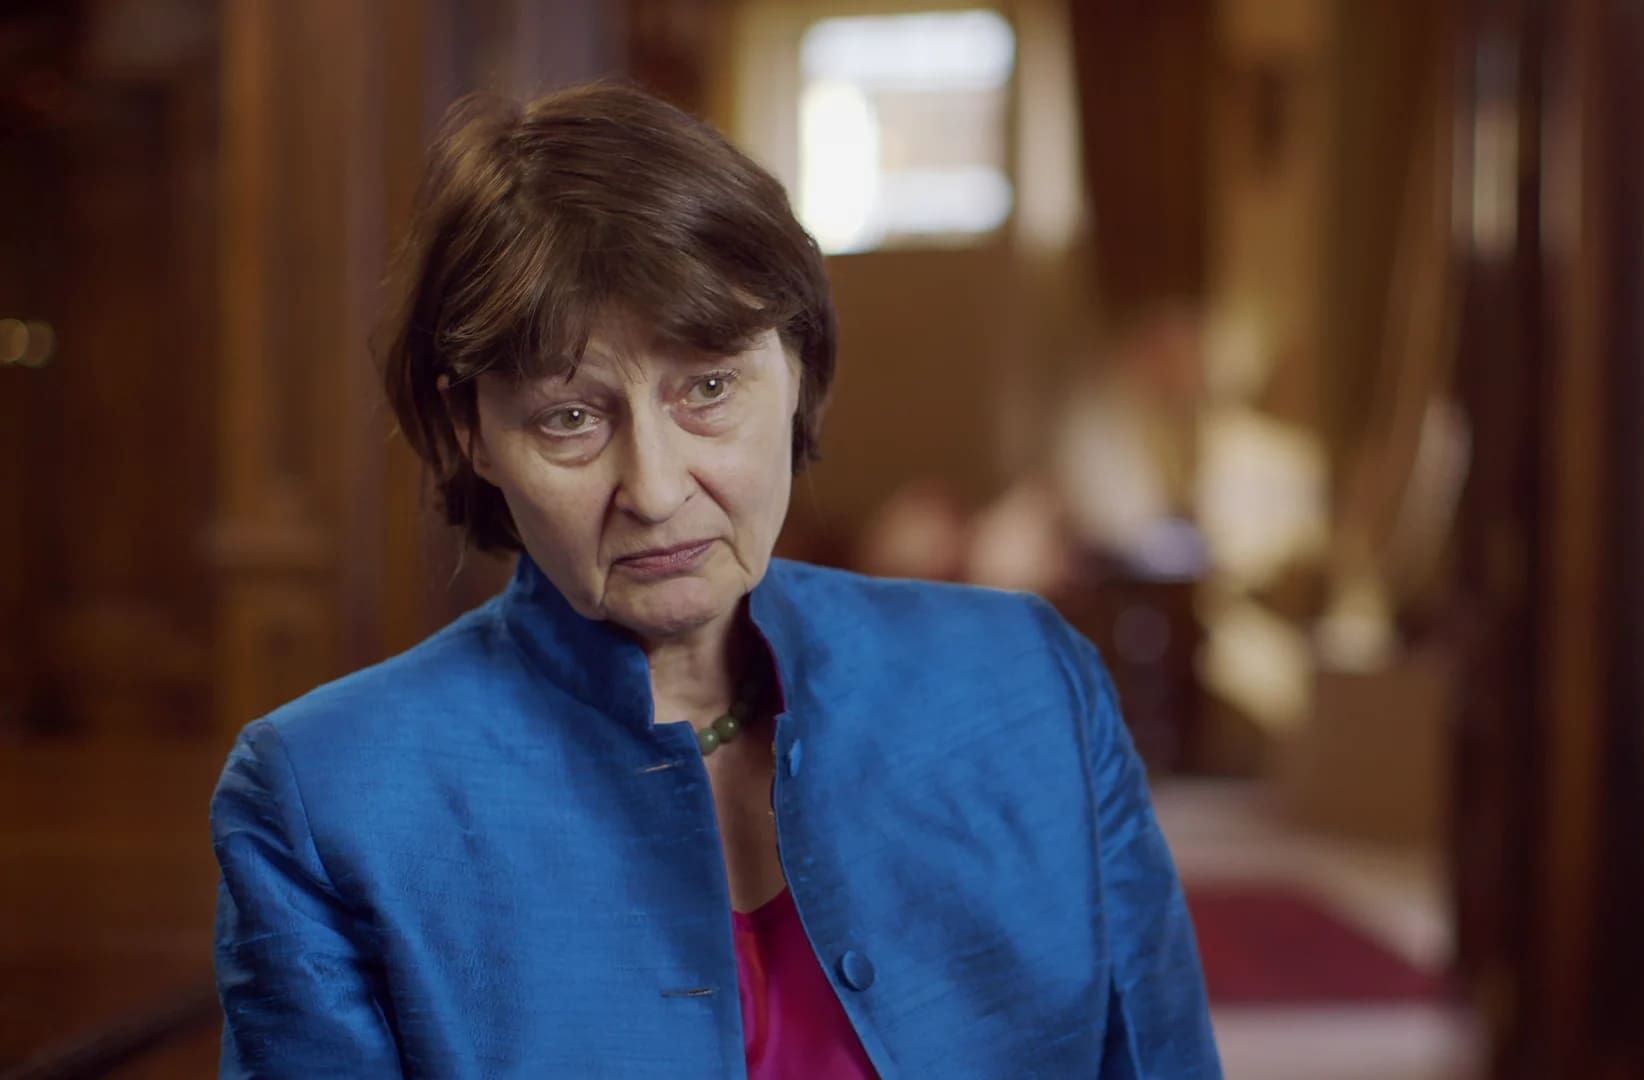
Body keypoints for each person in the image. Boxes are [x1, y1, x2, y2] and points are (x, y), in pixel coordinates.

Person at [209, 81, 1220, 1079]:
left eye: (707, 387)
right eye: (570, 417)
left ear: (799, 367)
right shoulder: (330, 799)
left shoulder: (1027, 683)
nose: (654, 491)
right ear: (471, 430)